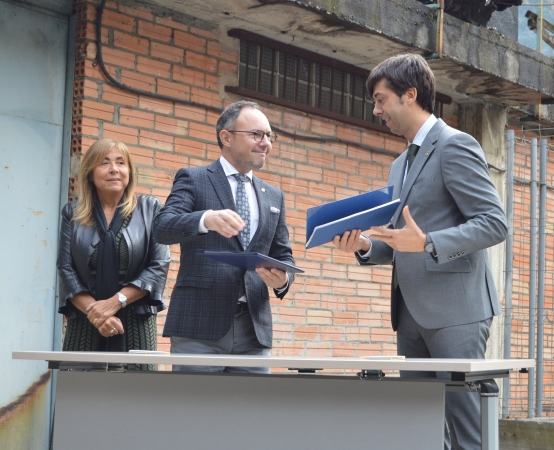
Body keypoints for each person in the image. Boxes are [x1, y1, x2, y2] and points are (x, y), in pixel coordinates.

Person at [333, 54, 507, 450]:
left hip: (455, 314)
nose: (377, 111)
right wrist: (364, 246)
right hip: (409, 313)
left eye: (381, 100)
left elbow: (494, 223)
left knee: (465, 429)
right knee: (421, 429)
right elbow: (401, 240)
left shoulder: (455, 145)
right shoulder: (400, 165)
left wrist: (429, 242)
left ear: (410, 95)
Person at [153, 100, 295, 373]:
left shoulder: (274, 196)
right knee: (197, 412)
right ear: (226, 137)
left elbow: (283, 255)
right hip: (199, 325)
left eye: (269, 136)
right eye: (256, 134)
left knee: (250, 414)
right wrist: (205, 219)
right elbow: (162, 227)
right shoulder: (194, 179)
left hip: (253, 329)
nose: (265, 142)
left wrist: (283, 279)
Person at [57, 139, 170, 370]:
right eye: (104, 163)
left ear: (129, 171)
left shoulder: (150, 209)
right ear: (90, 173)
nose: (114, 169)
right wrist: (99, 315)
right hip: (86, 320)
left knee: (136, 397)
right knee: (81, 397)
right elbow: (66, 269)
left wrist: (114, 303)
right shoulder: (73, 213)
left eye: (121, 162)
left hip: (135, 322)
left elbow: (158, 266)